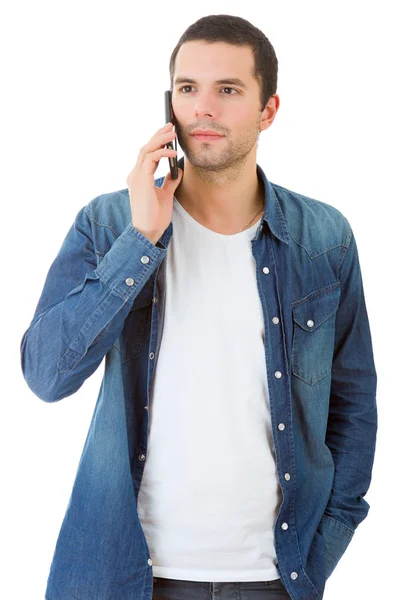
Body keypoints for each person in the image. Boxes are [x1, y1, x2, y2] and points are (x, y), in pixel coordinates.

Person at [20, 13, 377, 600]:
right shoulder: (110, 224)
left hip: (275, 578)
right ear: (168, 101)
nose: (202, 108)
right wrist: (139, 243)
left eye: (228, 90)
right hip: (126, 574)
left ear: (269, 111)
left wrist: (326, 543)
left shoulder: (324, 238)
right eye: (187, 88)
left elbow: (353, 405)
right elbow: (46, 376)